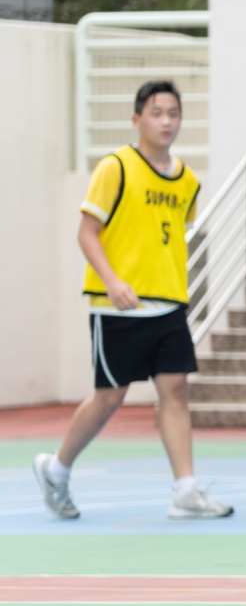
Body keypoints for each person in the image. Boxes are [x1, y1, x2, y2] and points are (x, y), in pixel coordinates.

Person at [31, 81, 231, 522]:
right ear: (137, 119)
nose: (166, 121)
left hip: (169, 303)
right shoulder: (116, 167)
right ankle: (56, 469)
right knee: (110, 397)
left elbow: (170, 237)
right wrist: (113, 281)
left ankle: (185, 491)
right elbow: (87, 233)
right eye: (157, 113)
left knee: (175, 391)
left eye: (173, 113)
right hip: (118, 305)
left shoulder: (188, 181)